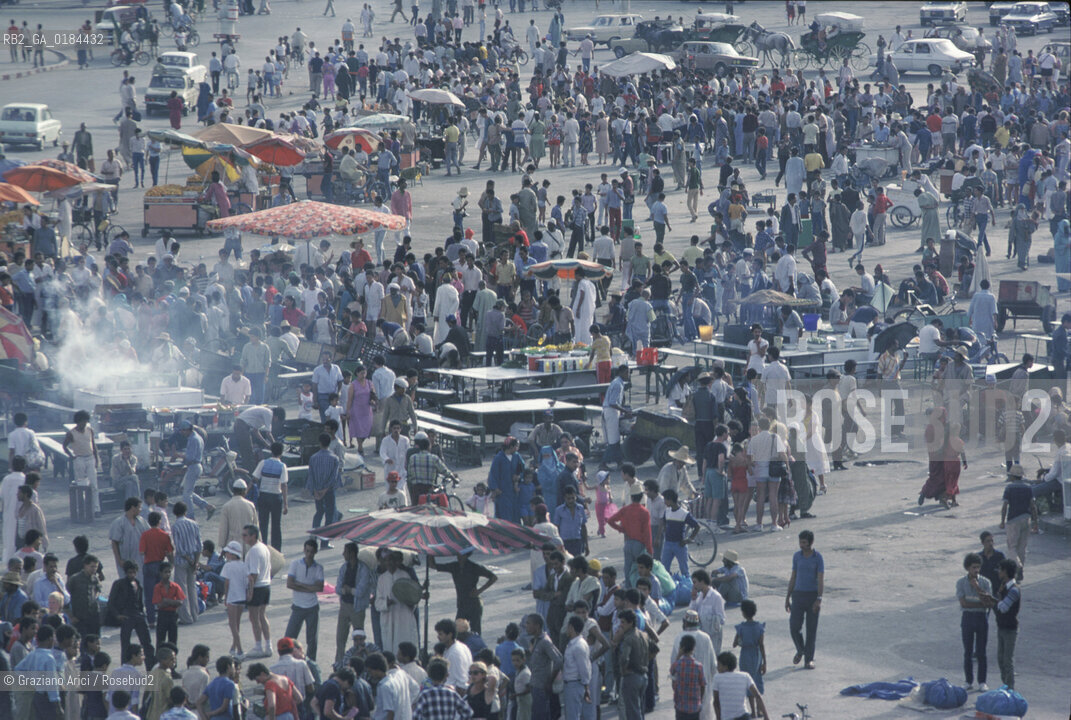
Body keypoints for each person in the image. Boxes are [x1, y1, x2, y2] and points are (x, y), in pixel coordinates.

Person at [433, 550, 497, 636]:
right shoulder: (454, 566)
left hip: (474, 604)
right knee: (457, 632)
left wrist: (479, 591)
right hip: (462, 604)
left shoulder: (474, 567)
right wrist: (431, 552)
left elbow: (493, 577)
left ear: (466, 555)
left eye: (461, 555)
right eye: (458, 554)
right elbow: (433, 565)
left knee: (475, 633)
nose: (459, 557)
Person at [785, 530, 823, 670]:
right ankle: (800, 649)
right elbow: (793, 577)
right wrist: (787, 596)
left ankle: (809, 659)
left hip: (812, 596)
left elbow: (820, 579)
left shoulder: (818, 557)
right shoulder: (797, 556)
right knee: (794, 627)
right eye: (800, 542)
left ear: (810, 543)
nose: (801, 545)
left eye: (804, 543)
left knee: (811, 630)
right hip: (798, 595)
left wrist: (819, 598)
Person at [956, 552, 993, 691]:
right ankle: (968, 681)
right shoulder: (961, 583)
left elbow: (989, 603)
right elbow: (964, 604)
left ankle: (982, 681)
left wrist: (977, 588)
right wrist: (980, 604)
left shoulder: (985, 582)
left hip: (982, 618)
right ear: (967, 568)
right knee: (968, 650)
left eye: (978, 567)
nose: (976, 570)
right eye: (973, 567)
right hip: (968, 618)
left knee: (982, 651)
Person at [285, 539, 325, 661]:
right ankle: (287, 660)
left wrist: (301, 585)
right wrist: (310, 587)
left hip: (312, 607)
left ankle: (311, 663)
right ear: (304, 550)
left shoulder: (318, 568)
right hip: (298, 606)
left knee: (312, 640)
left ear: (315, 552)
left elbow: (319, 587)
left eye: (311, 552)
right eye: (307, 551)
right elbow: (290, 584)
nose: (309, 554)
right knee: (289, 637)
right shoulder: (295, 564)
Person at [1000, 466, 1038, 580]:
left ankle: (1018, 566)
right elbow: (1033, 506)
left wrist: (1002, 521)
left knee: (1012, 547)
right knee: (1022, 548)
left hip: (1013, 520)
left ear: (1012, 476)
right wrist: (1035, 521)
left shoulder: (1009, 488)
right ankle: (1020, 572)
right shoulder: (1028, 488)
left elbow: (1005, 506)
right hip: (1026, 519)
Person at [711, 652, 770, 720]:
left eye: (719, 665)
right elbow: (758, 696)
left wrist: (718, 718)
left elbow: (716, 702)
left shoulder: (717, 678)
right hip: (744, 716)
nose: (717, 667)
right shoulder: (745, 676)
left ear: (725, 667)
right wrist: (766, 716)